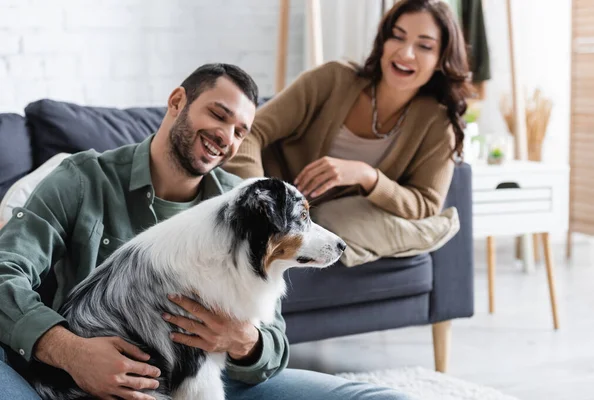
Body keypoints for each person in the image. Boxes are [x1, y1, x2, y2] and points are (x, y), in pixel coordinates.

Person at [0, 63, 410, 399]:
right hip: (84, 380)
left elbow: (274, 344)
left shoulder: (246, 205)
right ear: (177, 101)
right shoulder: (83, 178)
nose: (226, 137)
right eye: (218, 114)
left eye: (240, 131)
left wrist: (242, 339)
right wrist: (71, 352)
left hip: (213, 377)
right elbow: (4, 272)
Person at [224, 0, 471, 223]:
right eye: (397, 37)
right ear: (384, 41)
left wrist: (367, 176)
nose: (405, 53)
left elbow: (427, 203)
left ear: (441, 59)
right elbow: (249, 131)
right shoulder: (332, 79)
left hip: (327, 226)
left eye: (424, 46)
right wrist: (258, 196)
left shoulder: (438, 124)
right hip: (264, 201)